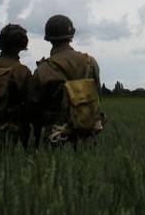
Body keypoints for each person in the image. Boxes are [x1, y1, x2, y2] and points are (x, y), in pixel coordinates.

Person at [29, 14, 105, 147]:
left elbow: (33, 108)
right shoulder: (90, 62)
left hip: (56, 138)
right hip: (87, 137)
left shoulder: (45, 68)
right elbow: (98, 96)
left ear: (48, 38)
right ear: (71, 35)